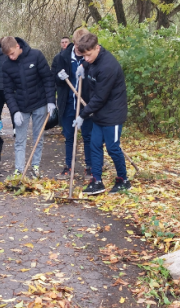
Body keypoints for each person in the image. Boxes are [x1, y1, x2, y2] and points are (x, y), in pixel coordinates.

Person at [72, 32, 131, 195]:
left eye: (89, 55)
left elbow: (99, 98)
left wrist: (82, 115)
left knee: (112, 148)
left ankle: (123, 180)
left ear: (97, 48)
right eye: (83, 56)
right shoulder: (92, 60)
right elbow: (89, 62)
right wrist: (83, 66)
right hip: (99, 113)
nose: (87, 58)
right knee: (95, 145)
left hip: (113, 114)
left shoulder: (108, 67)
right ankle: (97, 181)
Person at [0, 36, 56, 179]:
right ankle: (19, 170)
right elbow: (8, 91)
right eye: (8, 55)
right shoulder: (6, 66)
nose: (11, 57)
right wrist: (15, 111)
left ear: (18, 46)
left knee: (38, 137)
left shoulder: (36, 56)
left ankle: (35, 166)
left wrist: (51, 101)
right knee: (20, 139)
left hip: (40, 103)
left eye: (12, 53)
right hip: (21, 106)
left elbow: (47, 79)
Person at [52, 28, 92, 181]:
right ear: (74, 43)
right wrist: (59, 77)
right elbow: (53, 78)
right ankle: (69, 166)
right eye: (79, 46)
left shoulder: (90, 58)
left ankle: (89, 166)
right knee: (69, 136)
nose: (82, 50)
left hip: (86, 104)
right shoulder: (61, 57)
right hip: (68, 103)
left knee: (88, 136)